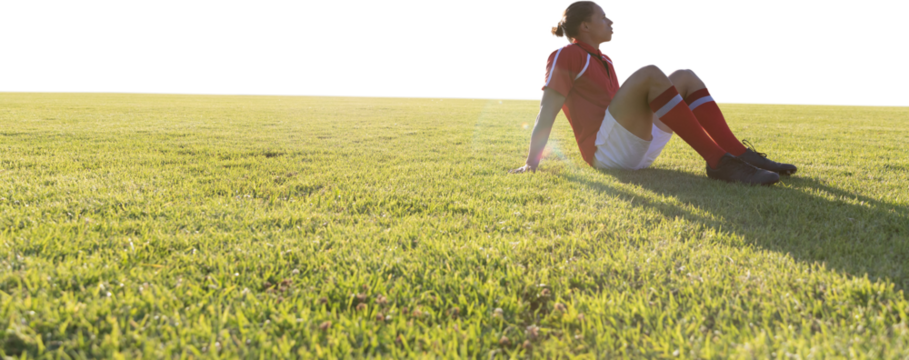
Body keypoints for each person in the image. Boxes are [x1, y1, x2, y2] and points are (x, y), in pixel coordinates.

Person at [509, 0, 796, 186]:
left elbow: (624, 109)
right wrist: (531, 163)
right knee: (649, 72)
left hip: (634, 150)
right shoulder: (566, 55)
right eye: (604, 16)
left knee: (684, 75)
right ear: (585, 26)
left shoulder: (607, 59)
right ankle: (719, 163)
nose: (611, 21)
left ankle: (738, 153)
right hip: (605, 154)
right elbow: (547, 111)